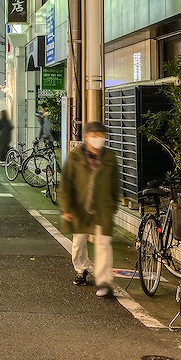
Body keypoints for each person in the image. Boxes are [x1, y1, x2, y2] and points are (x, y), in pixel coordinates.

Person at [58, 121, 122, 297]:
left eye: (101, 136)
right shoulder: (76, 157)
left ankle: (104, 281)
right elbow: (66, 183)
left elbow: (115, 184)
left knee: (103, 244)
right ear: (86, 137)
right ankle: (82, 269)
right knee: (79, 241)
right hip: (80, 207)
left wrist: (113, 205)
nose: (98, 139)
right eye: (95, 136)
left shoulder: (109, 158)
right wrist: (66, 207)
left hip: (102, 207)